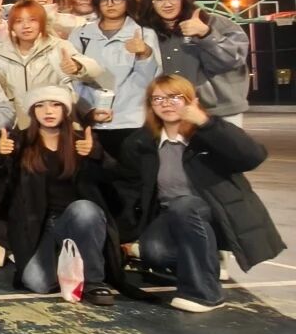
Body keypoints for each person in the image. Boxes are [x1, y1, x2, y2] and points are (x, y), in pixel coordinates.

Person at [117, 75, 285, 312]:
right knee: (154, 252)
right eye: (158, 99)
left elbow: (253, 156)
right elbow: (130, 186)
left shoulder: (208, 133)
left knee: (184, 205)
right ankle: (207, 257)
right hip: (169, 213)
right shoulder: (141, 142)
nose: (166, 103)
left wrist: (206, 123)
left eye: (174, 97)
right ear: (150, 105)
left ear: (192, 101)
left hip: (213, 210)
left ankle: (205, 294)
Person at [0, 87, 117, 305]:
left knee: (85, 209)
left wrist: (96, 155)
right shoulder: (19, 142)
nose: (48, 111)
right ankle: (65, 260)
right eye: (40, 106)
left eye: (55, 105)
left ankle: (94, 282)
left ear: (65, 110)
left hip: (76, 219)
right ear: (32, 112)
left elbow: (113, 179)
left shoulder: (81, 141)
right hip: (39, 225)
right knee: (38, 283)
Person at [68, 0, 162, 160]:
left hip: (132, 123)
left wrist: (144, 54)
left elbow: (150, 82)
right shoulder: (81, 34)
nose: (110, 4)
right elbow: (71, 81)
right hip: (90, 124)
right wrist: (87, 111)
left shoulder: (144, 33)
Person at [137, 0, 249, 125]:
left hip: (219, 112)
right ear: (151, 4)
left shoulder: (217, 23)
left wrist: (206, 34)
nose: (167, 4)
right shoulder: (148, 33)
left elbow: (234, 60)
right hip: (171, 112)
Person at [0, 0, 108, 129]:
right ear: (11, 26)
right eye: (19, 21)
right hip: (21, 127)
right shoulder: (1, 55)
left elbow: (95, 70)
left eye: (32, 20)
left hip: (58, 126)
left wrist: (77, 66)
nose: (26, 26)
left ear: (42, 22)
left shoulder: (58, 46)